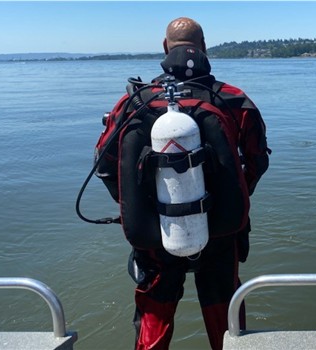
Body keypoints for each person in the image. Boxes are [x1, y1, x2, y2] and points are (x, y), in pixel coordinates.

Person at [98, 17, 270, 350]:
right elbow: (258, 159)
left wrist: (137, 205)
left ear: (165, 48)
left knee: (154, 320)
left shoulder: (134, 103)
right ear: (204, 48)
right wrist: (237, 193)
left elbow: (105, 164)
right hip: (221, 233)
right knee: (227, 322)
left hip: (154, 235)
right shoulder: (234, 100)